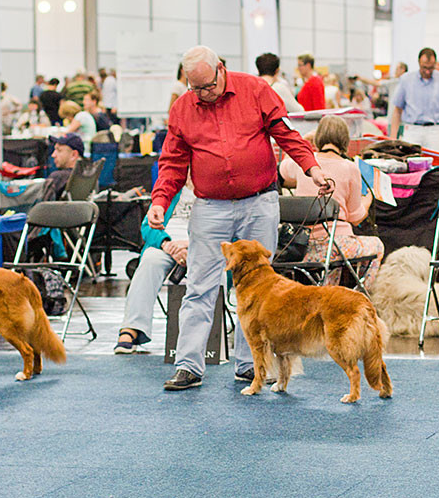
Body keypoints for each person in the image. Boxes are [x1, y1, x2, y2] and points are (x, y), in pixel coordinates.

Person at [147, 45, 329, 391]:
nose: (203, 94)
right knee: (199, 286)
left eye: (208, 86)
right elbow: (172, 163)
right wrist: (160, 200)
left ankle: (251, 367)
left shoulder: (256, 89)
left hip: (259, 202)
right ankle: (188, 365)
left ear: (221, 69)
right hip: (210, 208)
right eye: (195, 88)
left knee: (260, 289)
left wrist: (312, 168)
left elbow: (286, 134)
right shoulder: (183, 108)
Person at [279, 116, 384, 286]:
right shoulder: (350, 168)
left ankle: (326, 291)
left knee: (334, 258)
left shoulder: (304, 163)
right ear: (345, 140)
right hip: (334, 246)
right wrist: (368, 200)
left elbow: (282, 171)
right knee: (377, 246)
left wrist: (304, 141)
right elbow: (355, 217)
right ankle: (360, 293)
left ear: (318, 137)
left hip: (299, 247)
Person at [114, 182, 195, 354]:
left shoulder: (216, 187)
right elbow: (147, 227)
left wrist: (192, 245)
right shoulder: (170, 188)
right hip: (166, 244)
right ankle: (132, 327)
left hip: (202, 245)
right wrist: (167, 244)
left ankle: (215, 331)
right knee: (150, 259)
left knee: (214, 264)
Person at [388, 47, 439, 153]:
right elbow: (397, 111)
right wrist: (393, 139)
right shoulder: (406, 80)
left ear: (435, 64)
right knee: (410, 160)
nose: (427, 71)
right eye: (424, 67)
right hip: (412, 130)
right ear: (419, 63)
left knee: (436, 161)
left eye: (431, 67)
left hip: (435, 131)